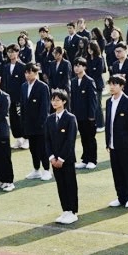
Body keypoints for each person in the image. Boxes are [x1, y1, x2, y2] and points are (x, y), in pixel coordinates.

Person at [103, 73, 128, 208]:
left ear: (122, 86)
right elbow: (108, 123)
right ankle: (121, 197)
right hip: (113, 143)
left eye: (115, 84)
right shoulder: (108, 102)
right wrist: (108, 142)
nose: (112, 87)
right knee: (117, 171)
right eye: (110, 84)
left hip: (126, 144)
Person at [45, 89, 80, 225]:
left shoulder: (70, 118)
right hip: (54, 160)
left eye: (57, 100)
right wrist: (52, 158)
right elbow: (47, 140)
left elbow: (70, 141)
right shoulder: (49, 119)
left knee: (70, 184)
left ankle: (73, 211)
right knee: (60, 185)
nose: (54, 102)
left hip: (67, 159)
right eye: (53, 100)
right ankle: (65, 210)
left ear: (64, 101)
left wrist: (61, 159)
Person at [20, 63, 53, 181]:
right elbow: (23, 105)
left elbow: (45, 108)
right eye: (26, 72)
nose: (27, 75)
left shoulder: (42, 86)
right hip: (28, 123)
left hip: (40, 124)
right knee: (33, 148)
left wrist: (42, 123)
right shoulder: (24, 86)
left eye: (30, 72)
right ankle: (36, 169)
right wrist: (23, 122)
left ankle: (46, 170)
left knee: (42, 148)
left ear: (35, 73)